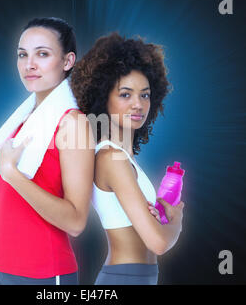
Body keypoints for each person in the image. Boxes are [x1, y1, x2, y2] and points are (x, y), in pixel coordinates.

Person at [0, 17, 94, 285]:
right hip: (0, 269)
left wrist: (12, 174)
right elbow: (14, 203)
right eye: (22, 55)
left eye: (43, 54)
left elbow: (76, 221)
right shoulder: (21, 123)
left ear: (68, 61)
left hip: (44, 275)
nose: (29, 64)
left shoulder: (73, 124)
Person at [71, 33, 184, 285]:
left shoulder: (124, 157)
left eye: (144, 95)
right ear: (103, 98)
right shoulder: (112, 158)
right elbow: (158, 242)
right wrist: (176, 222)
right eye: (125, 94)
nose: (138, 104)